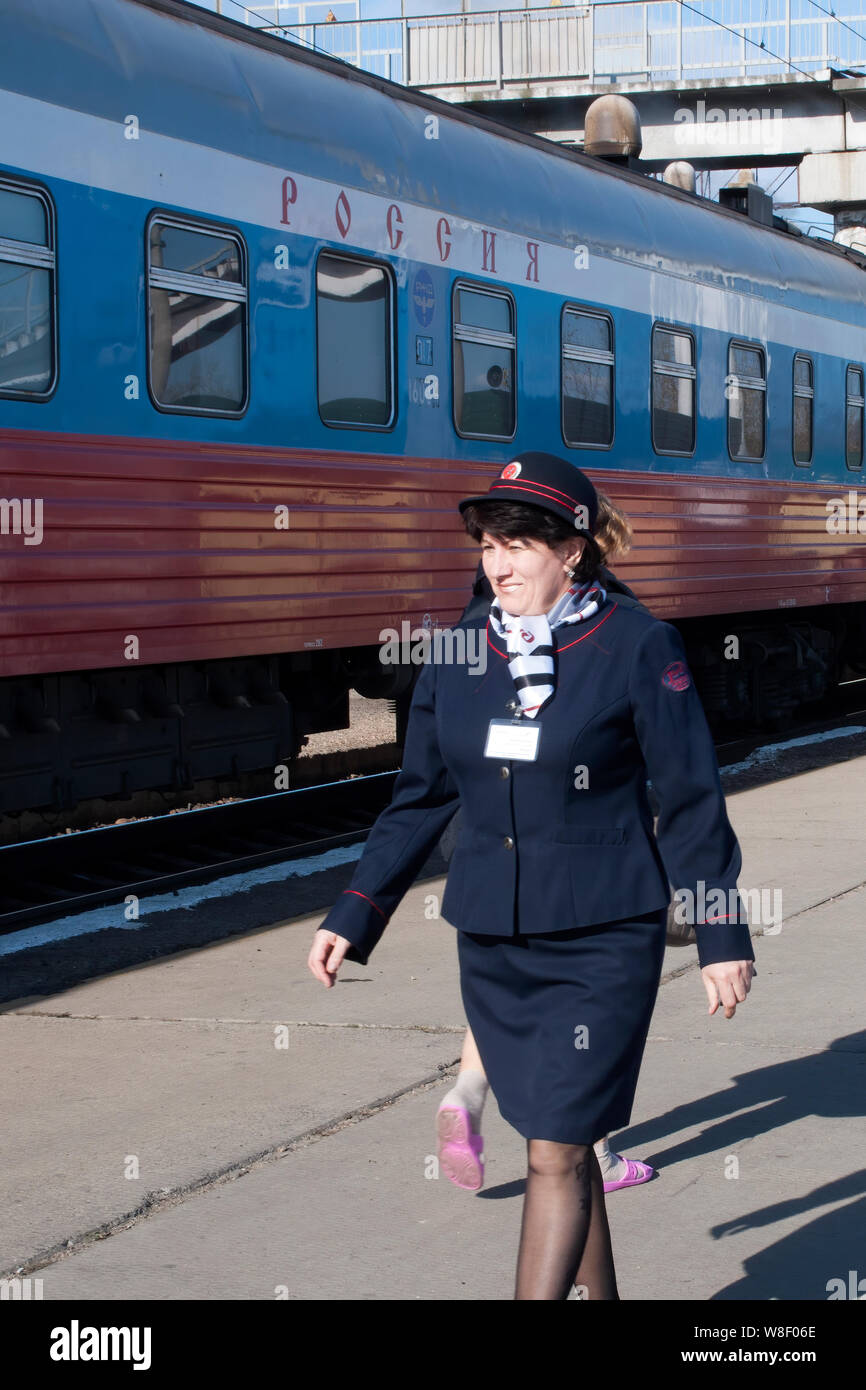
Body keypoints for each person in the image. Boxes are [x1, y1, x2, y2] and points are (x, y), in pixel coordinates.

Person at [308, 451, 756, 1301]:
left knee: (554, 1147)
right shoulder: (456, 652)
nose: (499, 562)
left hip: (602, 938)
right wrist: (354, 910)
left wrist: (721, 933)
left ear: (572, 550)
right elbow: (420, 799)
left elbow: (691, 796)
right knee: (563, 1140)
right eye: (488, 544)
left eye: (519, 544)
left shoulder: (636, 644)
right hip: (493, 941)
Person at [436, 539, 655, 1196]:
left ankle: (468, 1090)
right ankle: (596, 1154)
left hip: (482, 836)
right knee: (580, 1012)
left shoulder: (478, 623)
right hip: (571, 855)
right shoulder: (613, 621)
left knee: (517, 993)